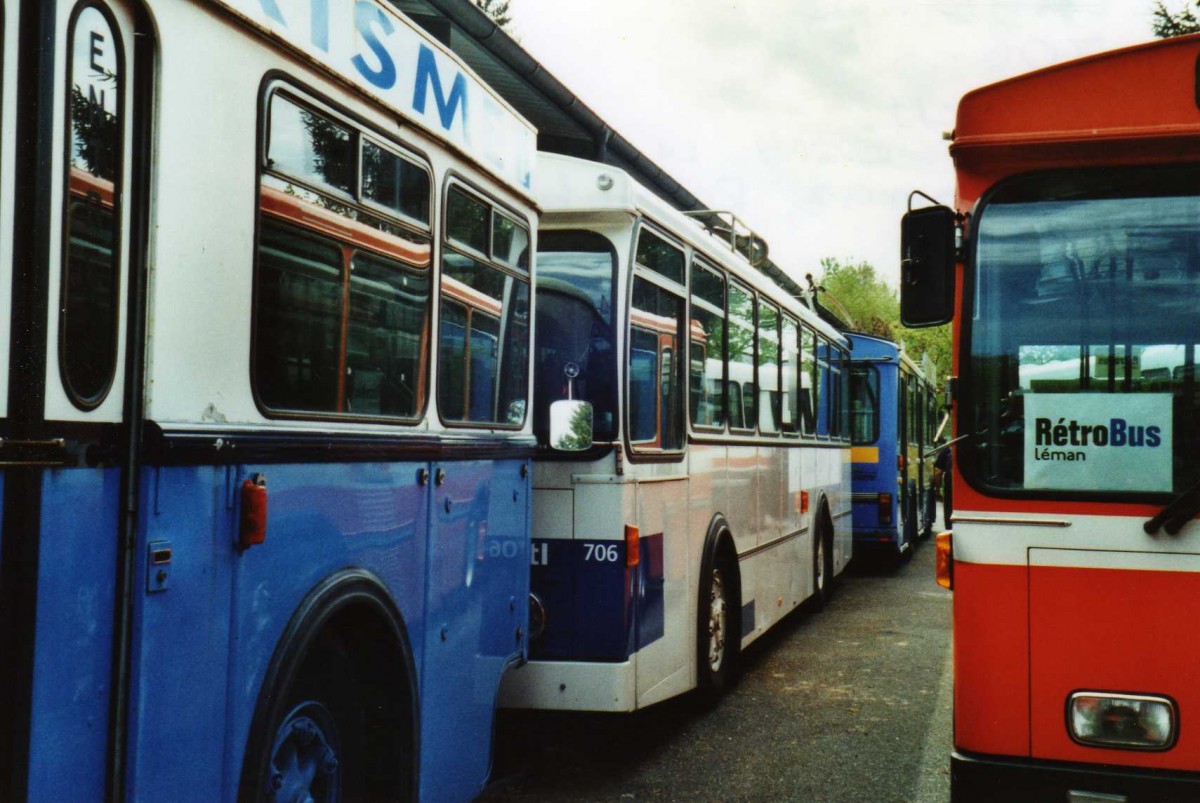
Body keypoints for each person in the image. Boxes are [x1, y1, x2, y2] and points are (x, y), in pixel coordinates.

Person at [933, 443, 953, 528]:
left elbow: (938, 472)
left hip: (950, 488)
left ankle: (949, 528)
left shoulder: (947, 450)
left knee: (949, 509)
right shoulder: (972, 447)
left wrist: (937, 490)